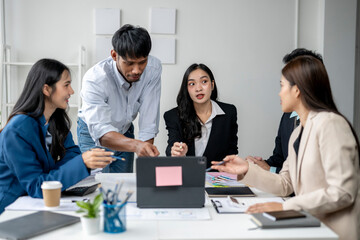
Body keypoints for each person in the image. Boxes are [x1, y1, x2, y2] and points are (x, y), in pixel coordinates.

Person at [212, 55, 360, 240]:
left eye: (282, 86)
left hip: (333, 232)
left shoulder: (330, 124)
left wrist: (285, 207)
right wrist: (247, 170)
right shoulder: (298, 132)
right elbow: (285, 184)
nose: (279, 93)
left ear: (297, 90)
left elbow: (342, 192)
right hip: (308, 227)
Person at [0, 59, 114, 213]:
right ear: (46, 89)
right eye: (66, 85)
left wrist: (55, 173)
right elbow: (36, 186)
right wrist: (82, 163)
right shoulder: (17, 129)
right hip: (11, 206)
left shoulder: (55, 119)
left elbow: (72, 153)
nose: (72, 91)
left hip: (36, 202)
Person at [77, 24, 161, 173]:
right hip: (93, 134)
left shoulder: (153, 69)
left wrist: (147, 161)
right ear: (114, 55)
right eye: (129, 63)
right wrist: (136, 145)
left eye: (142, 62)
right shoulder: (95, 79)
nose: (137, 70)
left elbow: (149, 121)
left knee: (123, 186)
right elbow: (102, 133)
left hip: (125, 130)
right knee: (97, 186)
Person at [246, 48, 323, 173]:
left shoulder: (327, 125)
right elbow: (280, 160)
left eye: (283, 85)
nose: (280, 93)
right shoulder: (288, 117)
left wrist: (269, 169)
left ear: (300, 86)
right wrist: (261, 165)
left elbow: (305, 176)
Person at [164, 63, 238, 169]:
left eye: (204, 82)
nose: (198, 88)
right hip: (187, 176)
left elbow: (232, 151)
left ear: (212, 85)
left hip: (218, 179)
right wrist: (177, 152)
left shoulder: (229, 112)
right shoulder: (173, 116)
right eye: (192, 84)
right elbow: (171, 146)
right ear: (187, 89)